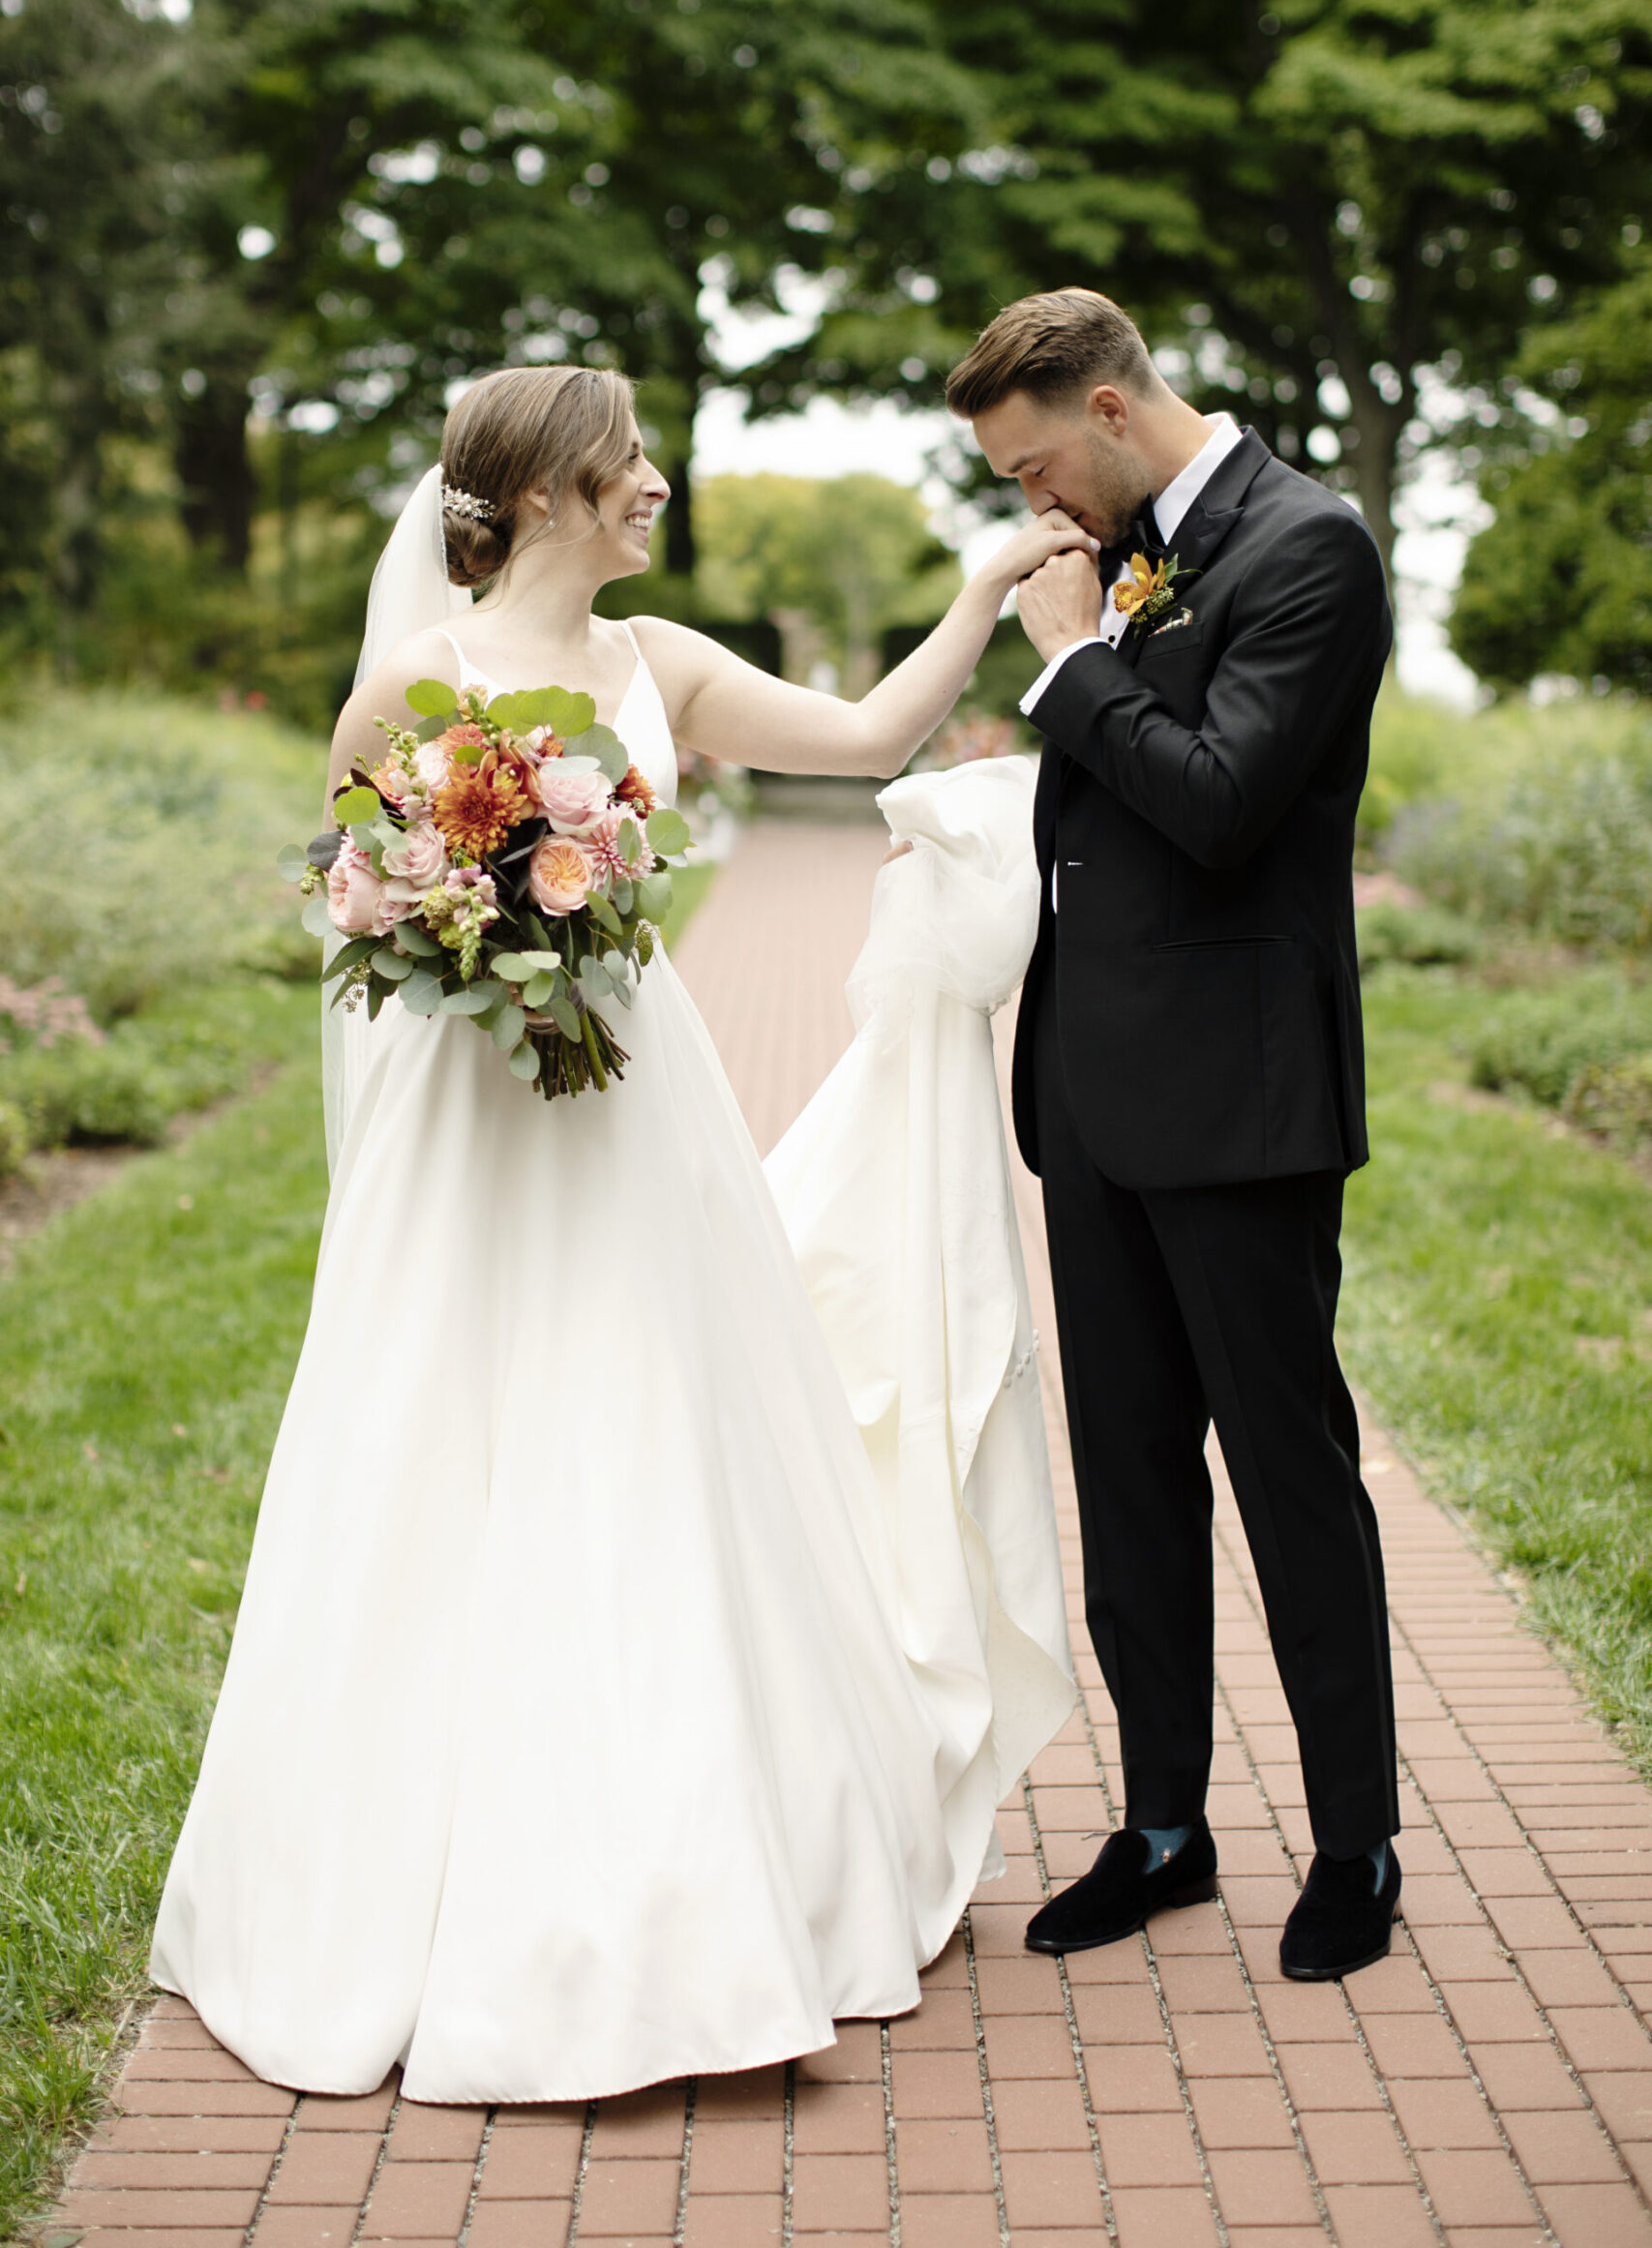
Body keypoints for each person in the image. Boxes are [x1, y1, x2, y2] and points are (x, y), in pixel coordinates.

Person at [149, 362, 1078, 2103]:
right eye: (628, 461)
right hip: (473, 1131)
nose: (654, 484)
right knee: (443, 1441)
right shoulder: (402, 687)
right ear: (552, 491)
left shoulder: (659, 670)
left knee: (653, 1440)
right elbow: (354, 917)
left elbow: (871, 735)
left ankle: (697, 1875)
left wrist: (978, 594)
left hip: (641, 1122)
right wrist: (463, 930)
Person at [946, 287, 1401, 1982]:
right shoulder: (1121, 547)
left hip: (1246, 1102)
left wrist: (1071, 663)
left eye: (1037, 465)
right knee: (1129, 1486)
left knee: (1291, 1480)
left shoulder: (1311, 550)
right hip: (1094, 1098)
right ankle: (1162, 1830)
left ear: (1117, 414)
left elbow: (1219, 803)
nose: (1033, 505)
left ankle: (1356, 1844)